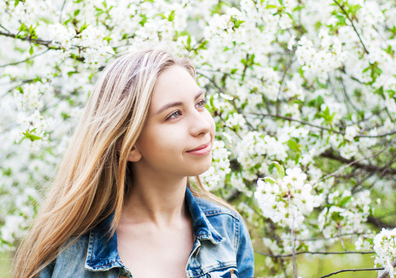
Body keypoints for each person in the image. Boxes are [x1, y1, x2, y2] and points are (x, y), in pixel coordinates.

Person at [12, 49, 254, 278]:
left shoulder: (227, 229)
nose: (202, 125)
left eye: (200, 103)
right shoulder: (67, 250)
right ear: (130, 145)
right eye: (174, 115)